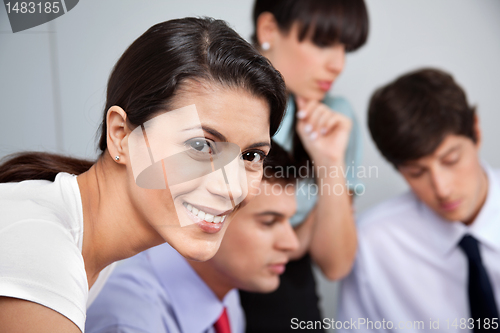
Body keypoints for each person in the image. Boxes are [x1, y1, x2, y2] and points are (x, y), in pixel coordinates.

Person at [0, 17, 287, 333]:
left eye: (250, 156)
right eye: (200, 145)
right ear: (121, 134)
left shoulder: (91, 248)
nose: (231, 188)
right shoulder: (39, 247)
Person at [239, 1, 369, 331]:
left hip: (286, 293)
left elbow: (336, 262)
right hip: (200, 279)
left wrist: (329, 163)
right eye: (323, 43)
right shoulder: (213, 101)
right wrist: (307, 227)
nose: (338, 64)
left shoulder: (334, 121)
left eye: (346, 48)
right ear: (269, 30)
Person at [338, 69, 500, 333]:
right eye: (417, 172)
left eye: (451, 160)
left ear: (477, 131)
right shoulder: (374, 244)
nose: (442, 189)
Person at [84, 142, 300, 333]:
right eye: (269, 222)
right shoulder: (129, 322)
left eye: (289, 221)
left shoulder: (223, 292)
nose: (291, 244)